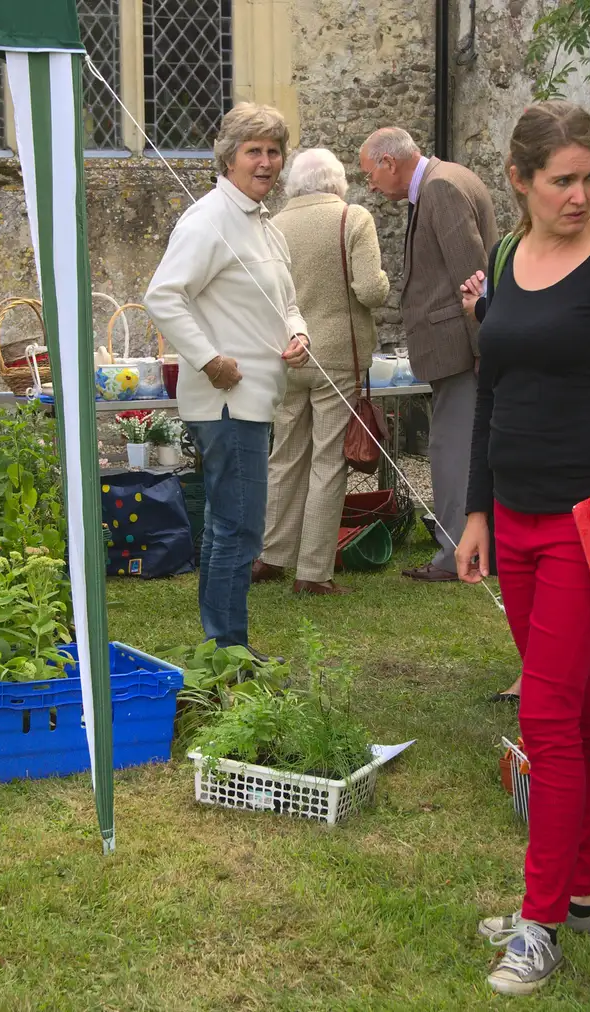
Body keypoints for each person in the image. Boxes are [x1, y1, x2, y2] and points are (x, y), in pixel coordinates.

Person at [453, 101, 590, 996]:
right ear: (521, 180)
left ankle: (539, 922)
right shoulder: (508, 257)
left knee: (545, 720)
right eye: (563, 180)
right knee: (574, 714)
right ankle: (585, 893)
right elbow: (490, 394)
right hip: (516, 517)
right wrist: (476, 513)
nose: (581, 195)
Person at [144, 103, 311, 650]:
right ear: (229, 158)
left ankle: (222, 646)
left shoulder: (265, 226)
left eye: (273, 151)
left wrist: (299, 334)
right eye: (254, 151)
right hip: (227, 403)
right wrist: (209, 358)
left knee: (227, 526)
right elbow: (164, 296)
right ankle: (229, 648)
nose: (266, 162)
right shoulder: (209, 218)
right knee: (239, 530)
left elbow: (286, 304)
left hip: (257, 399)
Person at [358, 127, 498, 583]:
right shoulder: (443, 179)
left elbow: (472, 274)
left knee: (452, 452)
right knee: (461, 448)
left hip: (461, 350)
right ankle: (473, 548)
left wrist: (482, 347)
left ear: (389, 162)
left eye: (370, 175)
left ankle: (457, 553)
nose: (372, 186)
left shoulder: (439, 187)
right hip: (457, 347)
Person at [251, 148, 390, 595]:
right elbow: (370, 290)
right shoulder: (354, 218)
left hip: (286, 352)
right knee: (328, 461)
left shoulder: (273, 222)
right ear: (337, 181)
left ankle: (271, 556)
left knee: (285, 455)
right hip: (334, 357)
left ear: (294, 181)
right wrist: (384, 284)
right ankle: (312, 572)